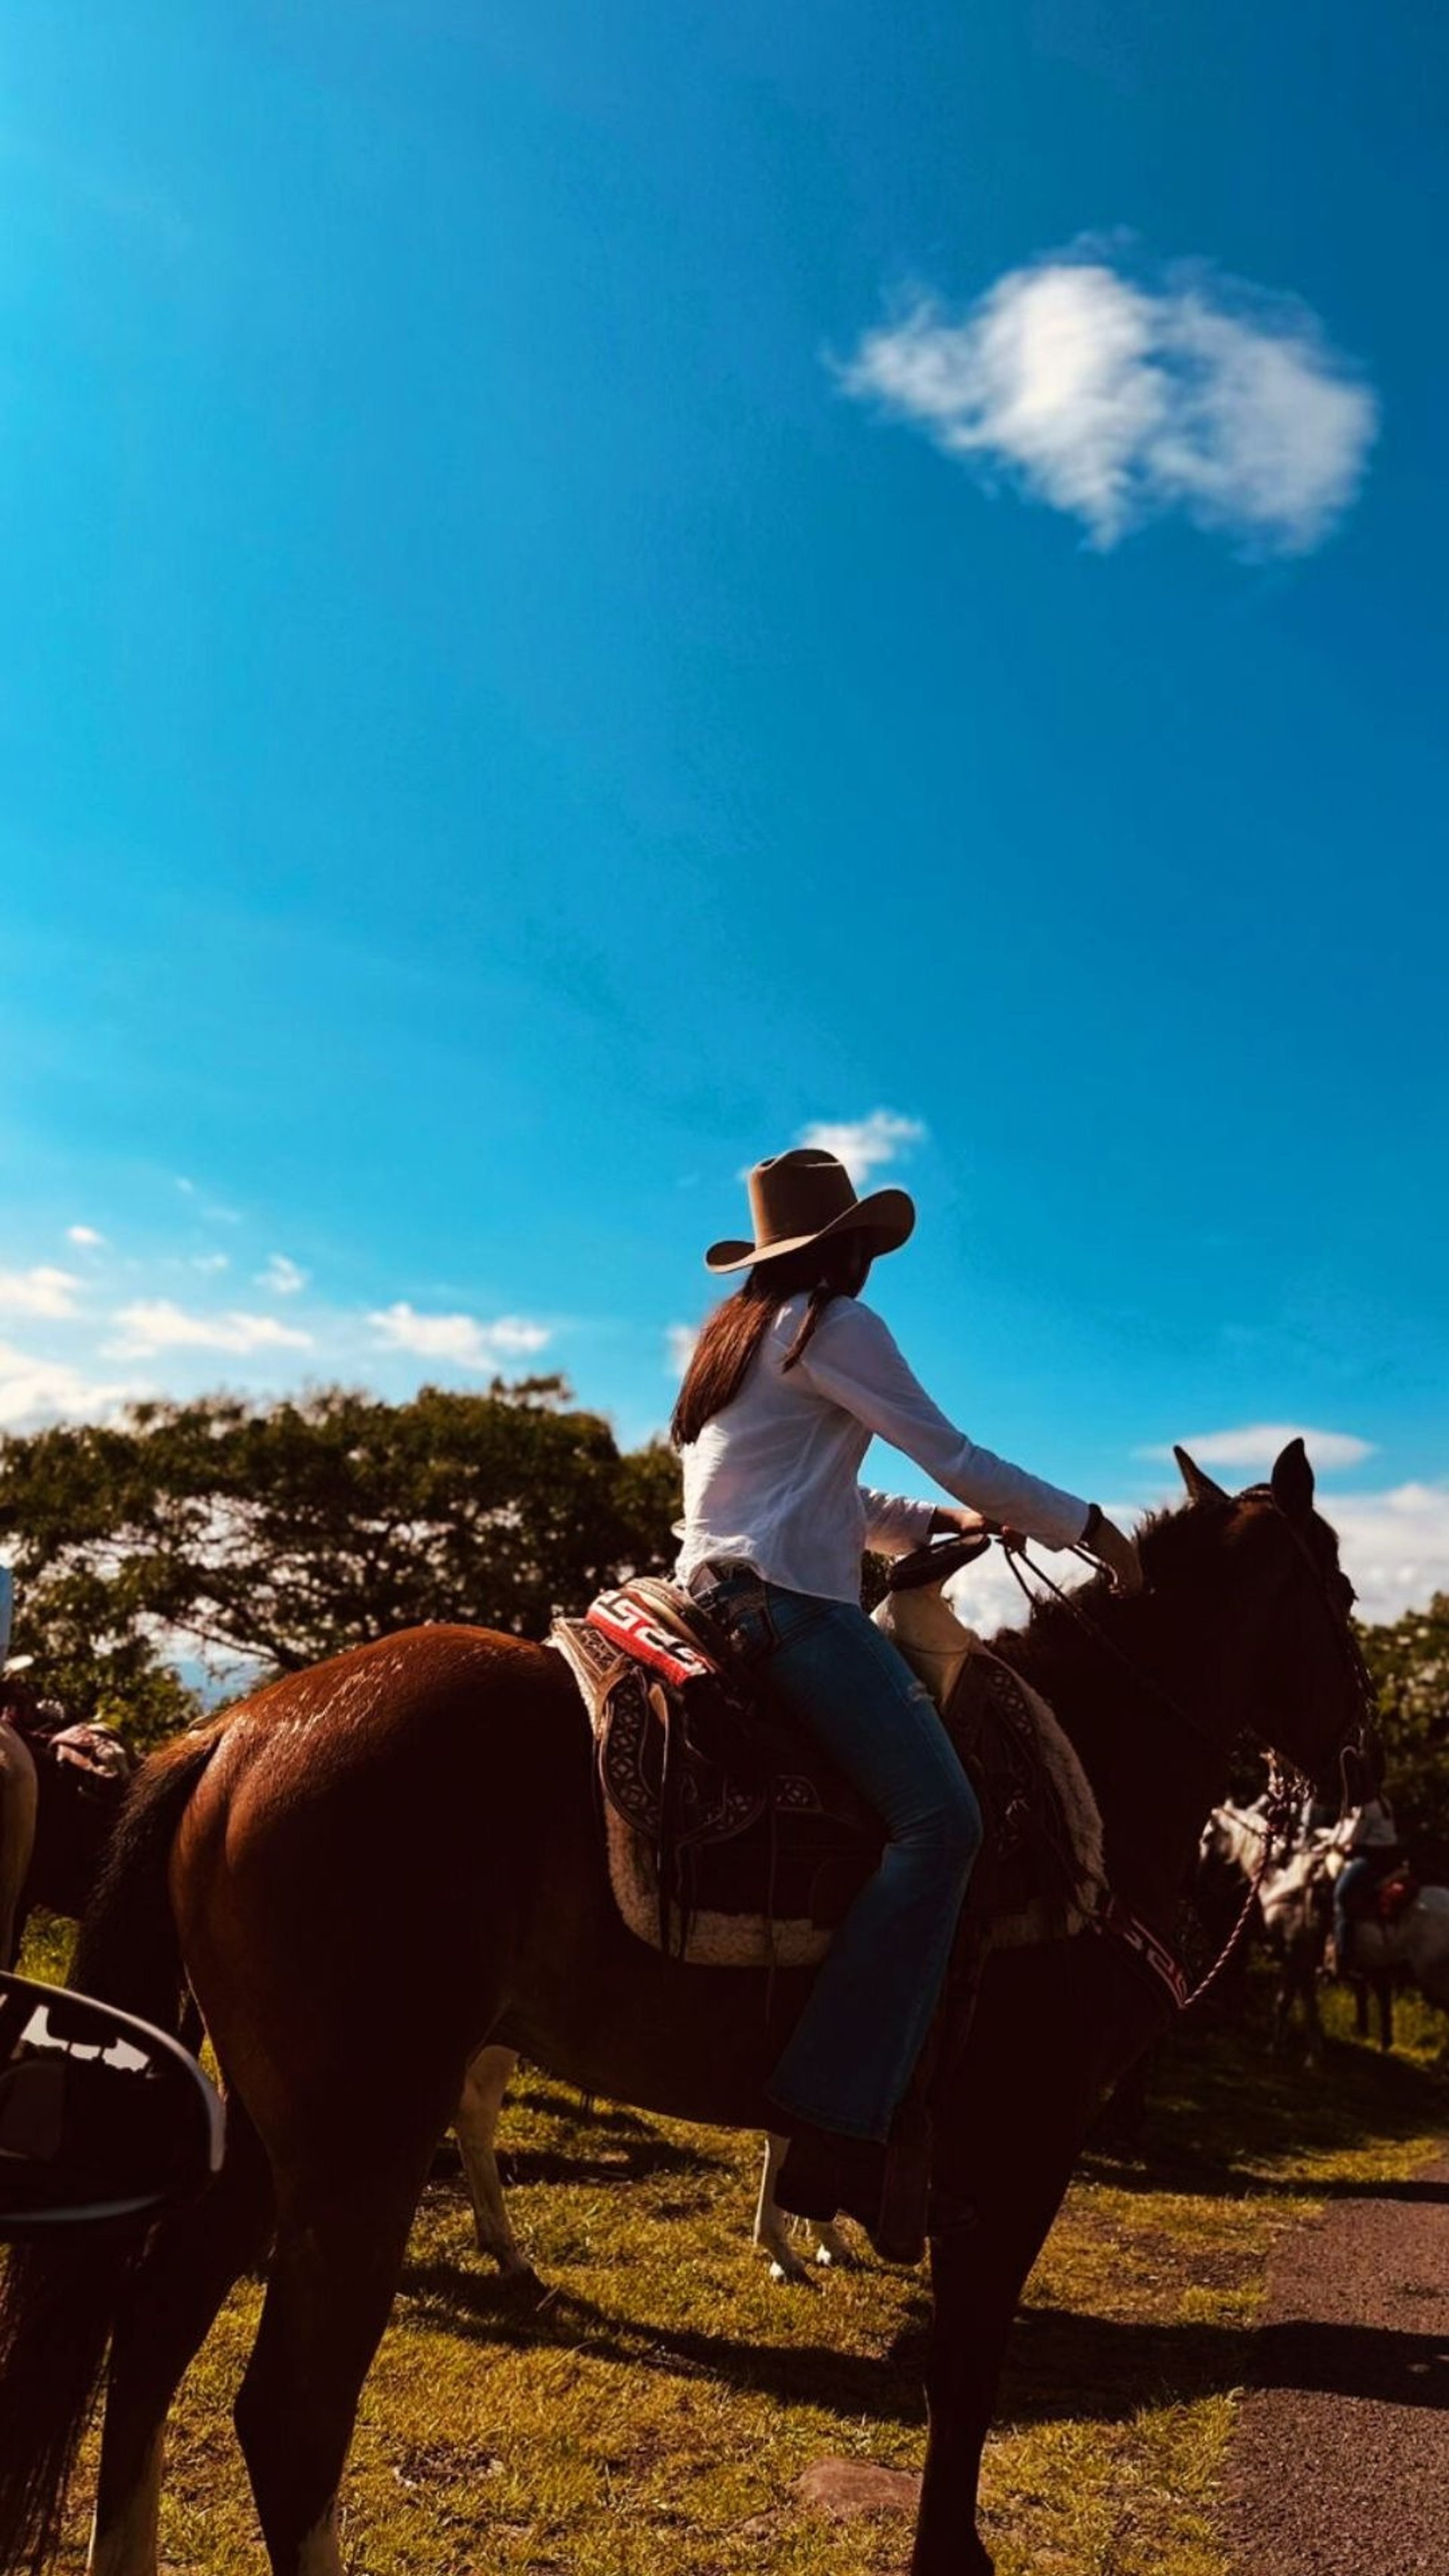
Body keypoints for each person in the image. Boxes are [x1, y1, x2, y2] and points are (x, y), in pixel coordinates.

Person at [671, 1146, 1142, 2241]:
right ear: (843, 1252)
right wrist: (1086, 1526)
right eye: (864, 1247)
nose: (871, 1265)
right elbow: (953, 1451)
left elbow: (826, 1494)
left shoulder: (740, 1336)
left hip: (712, 1591)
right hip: (788, 1605)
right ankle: (835, 2112)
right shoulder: (835, 1324)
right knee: (943, 1823)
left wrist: (943, 1527)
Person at [1329, 1787, 1401, 1974]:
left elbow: (1353, 1836)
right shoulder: (1382, 1800)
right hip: (1389, 1856)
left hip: (1372, 1858)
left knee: (1342, 1895)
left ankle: (1343, 1957)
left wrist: (1334, 1845)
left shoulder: (1365, 1804)